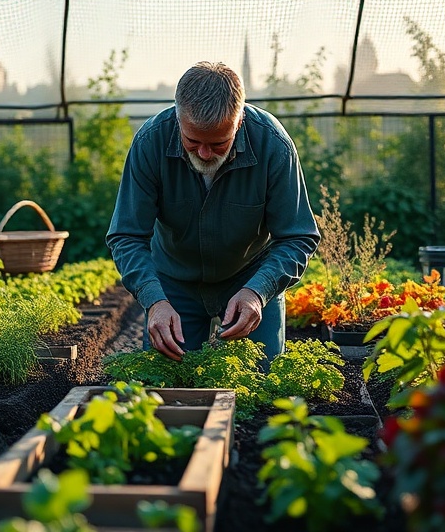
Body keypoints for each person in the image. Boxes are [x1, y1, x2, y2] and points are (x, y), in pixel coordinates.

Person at [106, 61, 320, 365]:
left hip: (250, 276)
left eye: (219, 143)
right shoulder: (150, 143)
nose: (204, 154)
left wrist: (258, 293)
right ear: (178, 118)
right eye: (193, 141)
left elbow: (298, 236)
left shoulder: (273, 145)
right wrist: (154, 300)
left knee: (261, 381)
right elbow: (127, 235)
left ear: (239, 120)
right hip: (174, 282)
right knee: (166, 382)